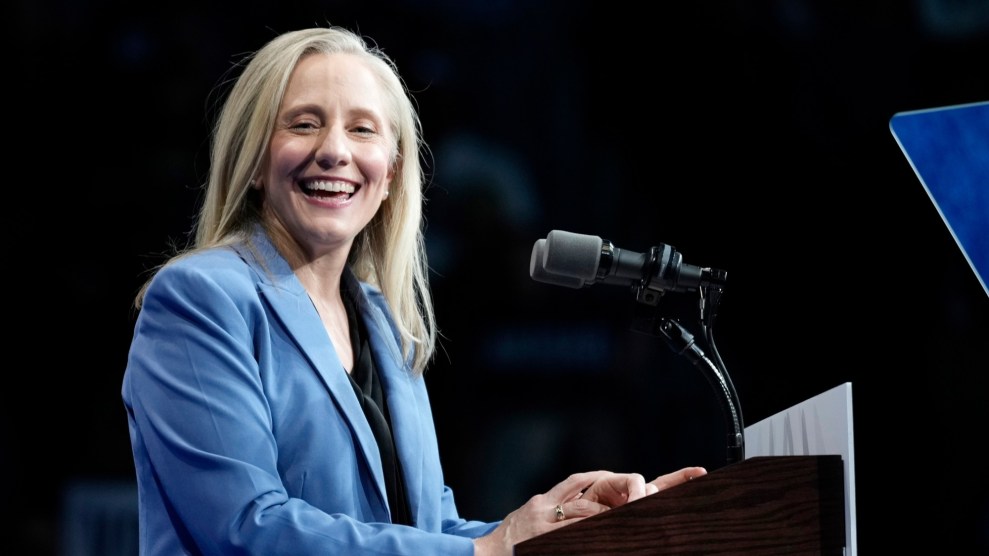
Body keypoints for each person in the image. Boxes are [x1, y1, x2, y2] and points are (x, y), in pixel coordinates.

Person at [121, 25, 707, 556]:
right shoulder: (201, 298)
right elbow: (246, 529)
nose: (335, 150)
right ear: (254, 161)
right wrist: (487, 551)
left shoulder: (383, 321)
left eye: (362, 129)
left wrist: (559, 526)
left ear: (391, 173)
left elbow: (425, 532)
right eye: (303, 123)